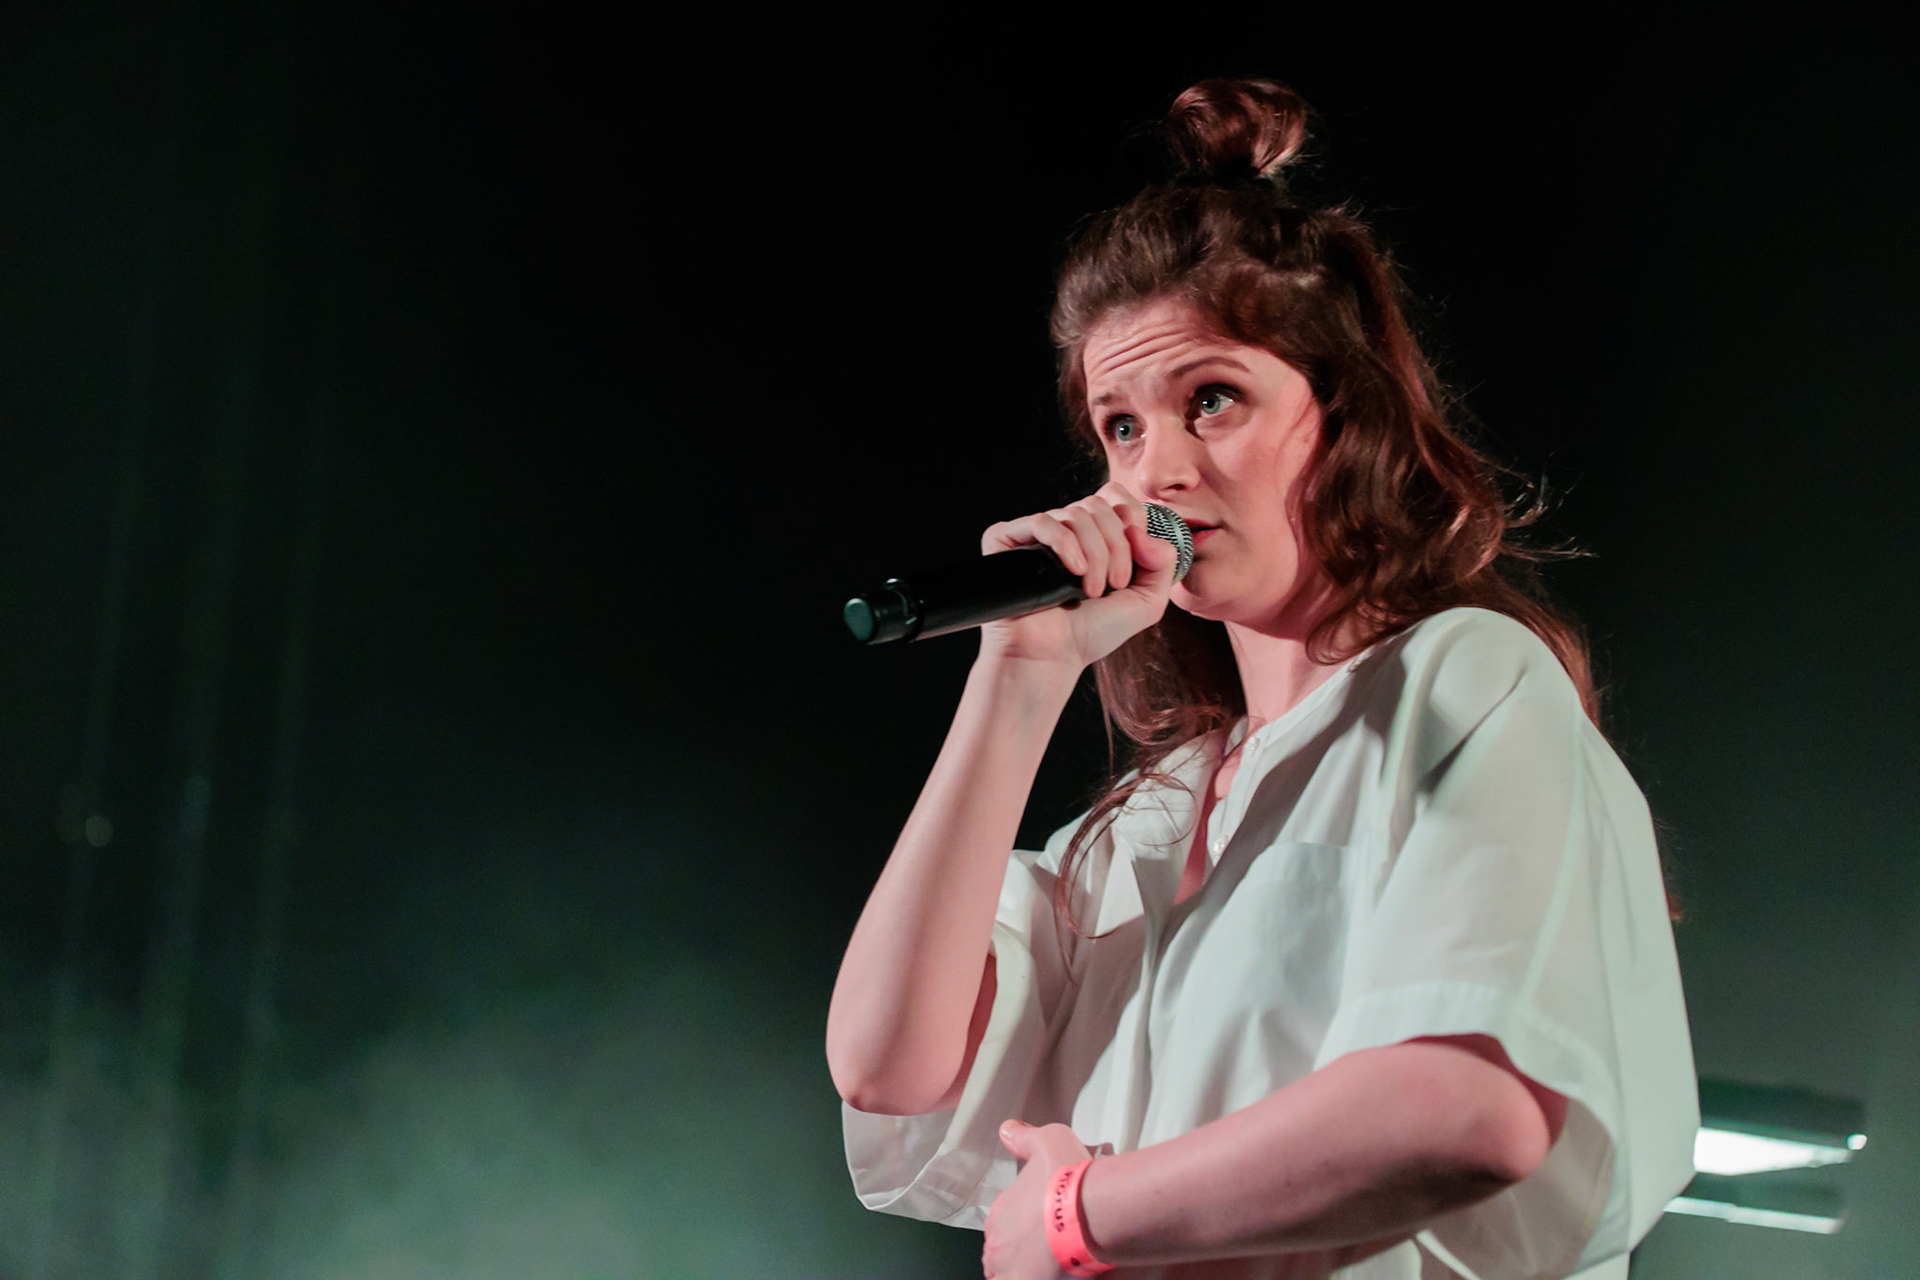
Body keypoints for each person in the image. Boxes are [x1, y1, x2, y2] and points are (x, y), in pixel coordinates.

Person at [825, 78, 1696, 1280]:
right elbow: (885, 1062)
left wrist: (1083, 1211)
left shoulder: (1458, 677)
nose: (1157, 469)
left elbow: (1467, 1105)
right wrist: (1016, 676)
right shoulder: (1149, 813)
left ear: (1341, 418)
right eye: (1120, 426)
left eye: (1212, 399)